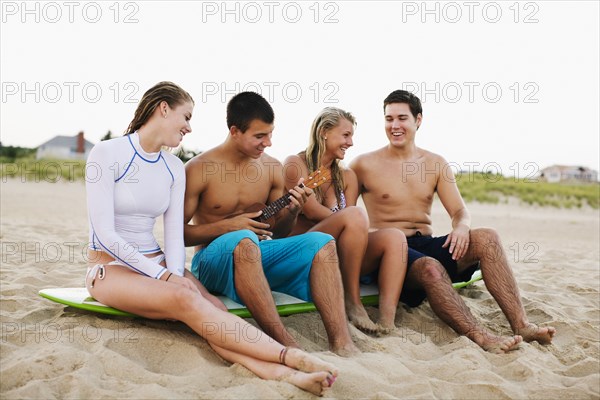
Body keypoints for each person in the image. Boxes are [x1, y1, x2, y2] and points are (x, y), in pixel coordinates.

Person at [85, 82, 339, 396]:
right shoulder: (107, 152)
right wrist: (165, 277)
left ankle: (288, 376)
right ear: (163, 109)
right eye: (186, 117)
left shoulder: (173, 167)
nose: (189, 127)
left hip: (158, 261)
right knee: (185, 298)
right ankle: (291, 356)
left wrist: (175, 272)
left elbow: (174, 237)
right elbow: (105, 234)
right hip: (110, 267)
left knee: (214, 308)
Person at [349, 90, 556, 354]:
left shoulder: (435, 163)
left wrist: (461, 227)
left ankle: (522, 324)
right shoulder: (363, 164)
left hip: (426, 241)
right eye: (389, 119)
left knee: (487, 237)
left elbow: (459, 211)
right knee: (431, 268)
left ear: (418, 120)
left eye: (402, 118)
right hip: (392, 253)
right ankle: (480, 336)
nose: (394, 126)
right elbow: (347, 216)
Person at [184, 92, 359, 357]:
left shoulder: (271, 168)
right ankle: (286, 344)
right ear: (234, 131)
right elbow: (178, 234)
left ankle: (343, 343)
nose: (268, 142)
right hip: (211, 261)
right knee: (242, 241)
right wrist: (229, 226)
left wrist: (293, 211)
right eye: (259, 136)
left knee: (322, 243)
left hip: (255, 254)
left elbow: (278, 233)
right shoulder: (198, 168)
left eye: (270, 134)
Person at [283, 107, 408, 334]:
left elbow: (351, 225)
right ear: (324, 132)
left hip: (339, 255)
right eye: (346, 135)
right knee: (354, 215)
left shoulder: (347, 176)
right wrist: (347, 219)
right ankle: (353, 300)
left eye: (352, 136)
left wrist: (350, 223)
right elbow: (310, 211)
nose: (350, 142)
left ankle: (387, 321)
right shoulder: (295, 163)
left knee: (395, 237)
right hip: (306, 252)